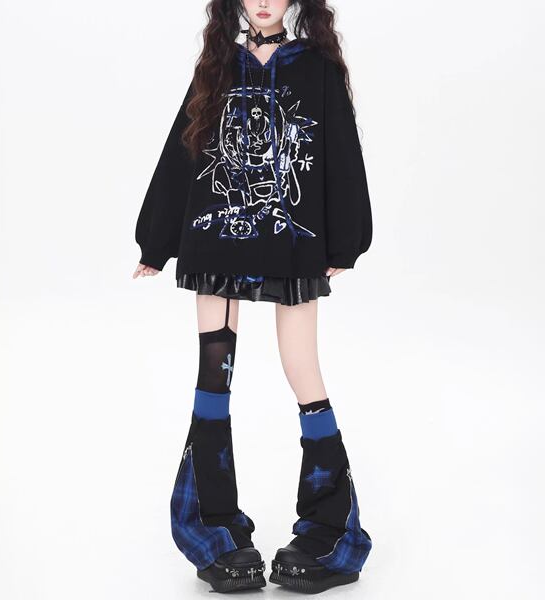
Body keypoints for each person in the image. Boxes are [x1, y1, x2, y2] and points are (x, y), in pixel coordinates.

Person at [133, 0, 373, 593]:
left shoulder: (316, 66)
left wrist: (347, 239)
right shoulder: (218, 63)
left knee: (303, 370)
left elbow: (341, 150)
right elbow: (183, 149)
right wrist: (156, 242)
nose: (263, 3)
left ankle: (328, 529)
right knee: (214, 376)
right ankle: (214, 530)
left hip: (294, 241)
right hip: (216, 236)